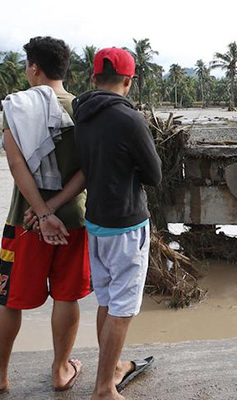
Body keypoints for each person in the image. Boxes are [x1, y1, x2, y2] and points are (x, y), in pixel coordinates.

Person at [0, 36, 90, 395]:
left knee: (9, 298)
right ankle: (61, 370)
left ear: (34, 67)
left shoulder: (17, 106)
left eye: (26, 65)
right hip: (74, 220)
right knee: (67, 296)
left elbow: (16, 164)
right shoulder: (83, 108)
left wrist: (39, 211)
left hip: (26, 222)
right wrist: (54, 209)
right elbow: (87, 170)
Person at [72, 47, 161, 399]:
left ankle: (114, 367)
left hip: (94, 222)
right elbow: (153, 174)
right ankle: (104, 389)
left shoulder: (82, 113)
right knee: (122, 311)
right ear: (128, 81)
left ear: (94, 78)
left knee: (108, 303)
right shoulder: (129, 119)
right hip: (126, 225)